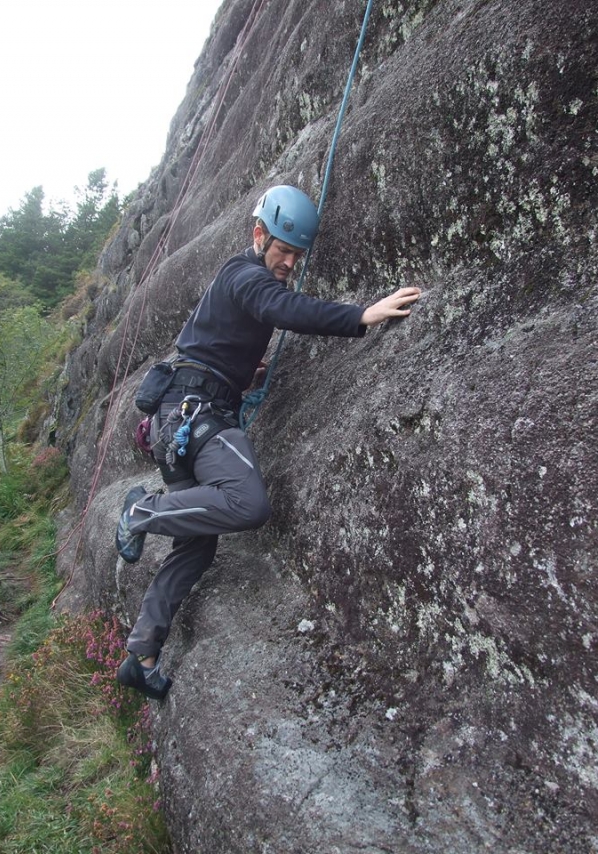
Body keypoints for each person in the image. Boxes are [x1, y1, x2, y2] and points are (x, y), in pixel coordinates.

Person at [115, 185, 421, 699]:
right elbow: (282, 308)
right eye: (284, 251)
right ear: (260, 235)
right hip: (198, 414)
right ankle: (141, 512)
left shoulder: (239, 280)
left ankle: (141, 654)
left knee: (197, 544)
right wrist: (360, 315)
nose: (290, 263)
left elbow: (217, 340)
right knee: (247, 502)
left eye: (297, 256)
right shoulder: (245, 275)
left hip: (183, 414)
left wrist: (239, 372)